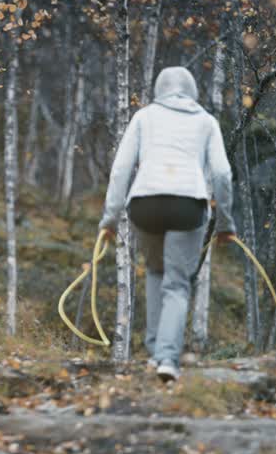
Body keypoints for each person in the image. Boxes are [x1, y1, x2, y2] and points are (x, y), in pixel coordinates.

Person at [99, 66, 235, 383]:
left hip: (144, 204)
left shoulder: (144, 117)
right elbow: (222, 174)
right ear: (194, 91)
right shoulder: (206, 122)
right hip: (188, 205)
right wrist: (225, 223)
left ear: (159, 90)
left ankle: (154, 352)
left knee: (157, 272)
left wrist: (109, 218)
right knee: (177, 283)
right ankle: (167, 359)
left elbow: (120, 170)